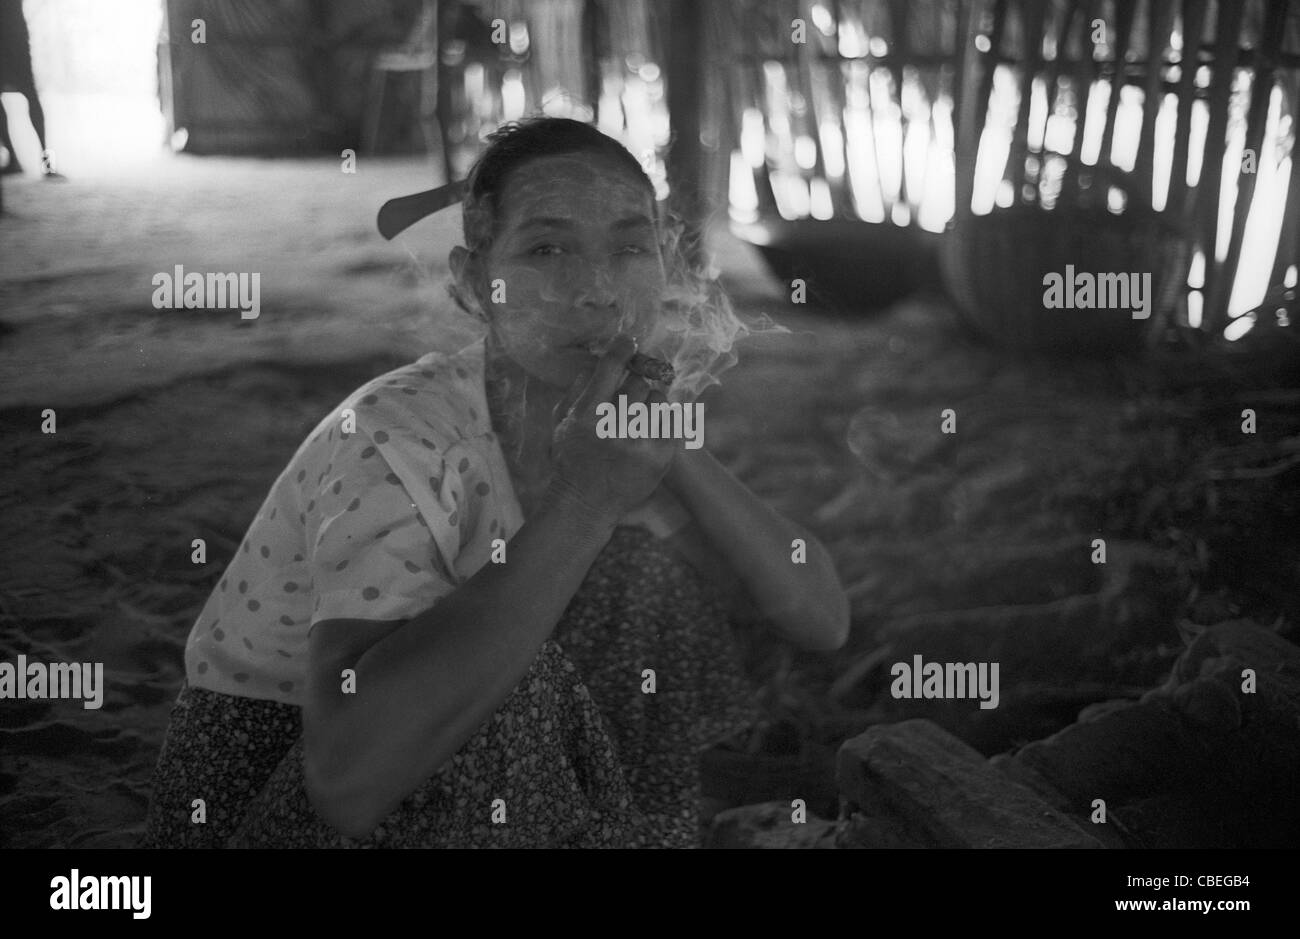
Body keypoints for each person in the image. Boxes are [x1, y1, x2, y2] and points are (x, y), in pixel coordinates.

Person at [141, 117, 848, 848]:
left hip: (465, 795)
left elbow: (821, 620)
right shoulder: (398, 438)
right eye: (546, 249)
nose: (599, 291)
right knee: (503, 679)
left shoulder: (622, 435)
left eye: (631, 247)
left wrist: (672, 452)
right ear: (474, 283)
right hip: (264, 805)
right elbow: (348, 784)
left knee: (646, 583)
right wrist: (587, 501)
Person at [0, 0, 62, 179]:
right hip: (14, 32)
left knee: (31, 96)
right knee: (31, 96)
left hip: (14, 34)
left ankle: (44, 163)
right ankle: (40, 163)